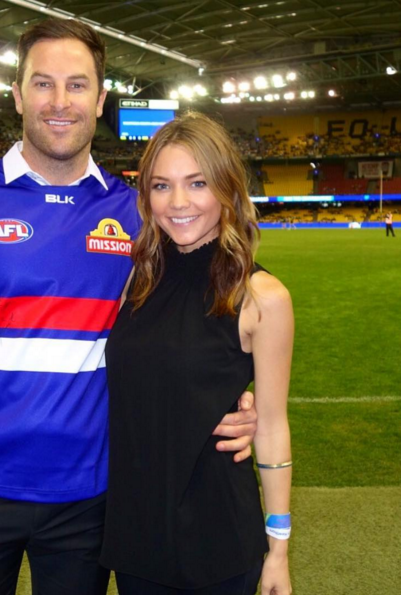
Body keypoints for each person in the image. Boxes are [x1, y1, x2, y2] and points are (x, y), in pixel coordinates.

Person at [0, 20, 258, 595]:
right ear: (18, 94)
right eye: (42, 84)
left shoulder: (139, 215)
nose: (59, 102)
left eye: (77, 86)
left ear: (99, 100)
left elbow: (199, 317)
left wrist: (243, 405)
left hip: (90, 500)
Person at [100, 112, 294, 595]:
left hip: (219, 541)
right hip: (137, 537)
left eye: (198, 183)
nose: (179, 202)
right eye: (162, 186)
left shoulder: (261, 296)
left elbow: (271, 425)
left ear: (227, 188)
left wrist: (279, 550)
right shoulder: (137, 280)